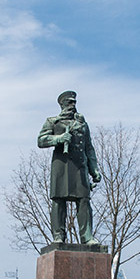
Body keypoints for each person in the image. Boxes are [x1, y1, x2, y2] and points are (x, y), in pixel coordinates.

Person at [37, 90, 102, 245]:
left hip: (79, 167)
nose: (73, 105)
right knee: (59, 200)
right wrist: (58, 139)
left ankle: (87, 237)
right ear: (62, 104)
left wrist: (94, 169)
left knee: (84, 200)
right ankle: (58, 236)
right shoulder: (52, 122)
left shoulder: (82, 124)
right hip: (61, 167)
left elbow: (89, 148)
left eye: (74, 102)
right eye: (69, 102)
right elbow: (41, 140)